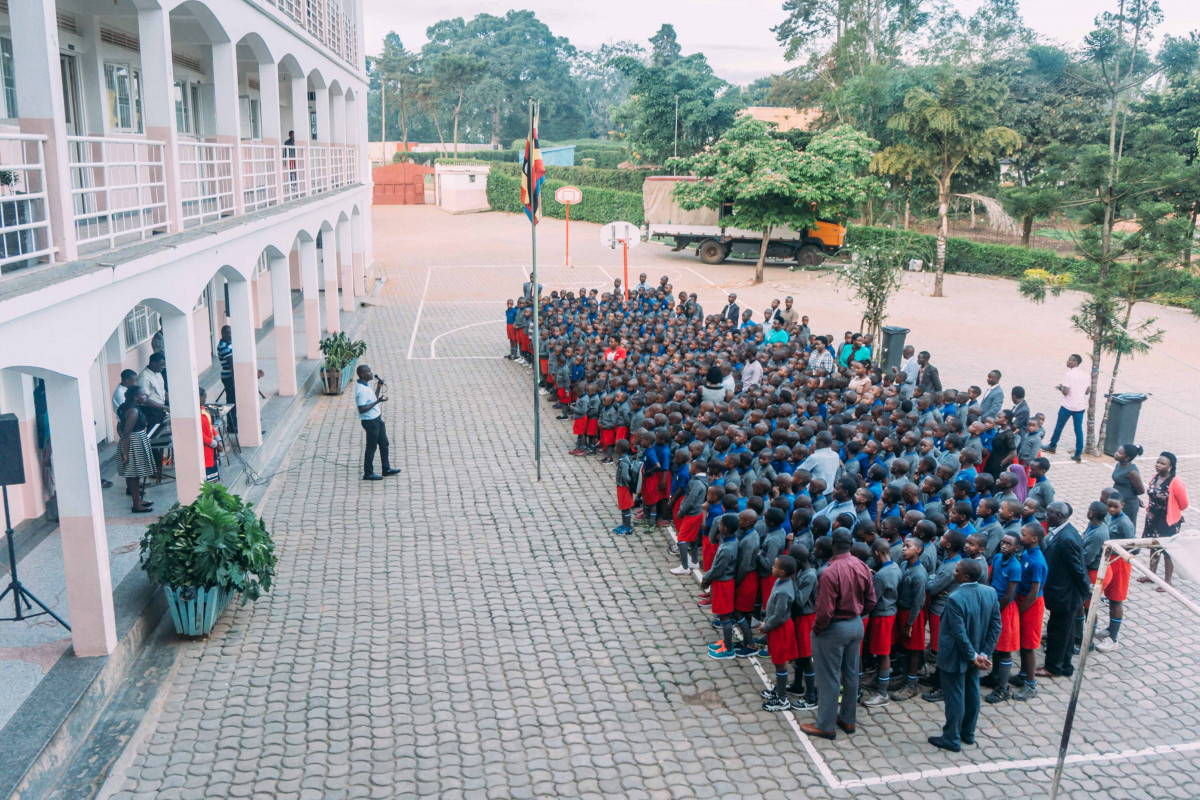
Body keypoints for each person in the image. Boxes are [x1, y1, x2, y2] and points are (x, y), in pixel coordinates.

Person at [800, 528, 876, 741]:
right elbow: (871, 601)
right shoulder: (862, 565)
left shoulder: (829, 572)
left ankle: (825, 725)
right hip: (856, 624)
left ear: (832, 544)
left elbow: (825, 610)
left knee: (828, 677)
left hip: (834, 628)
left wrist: (817, 629)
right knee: (851, 674)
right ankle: (848, 719)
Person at [928, 559, 1001, 752]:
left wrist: (973, 656)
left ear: (965, 576)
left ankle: (951, 737)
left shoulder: (955, 598)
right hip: (976, 655)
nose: (954, 572)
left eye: (957, 571)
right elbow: (995, 626)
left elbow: (958, 633)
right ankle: (968, 733)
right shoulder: (990, 592)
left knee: (955, 698)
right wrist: (983, 653)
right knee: (972, 691)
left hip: (956, 656)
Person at [1039, 502, 1088, 679]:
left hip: (1066, 595)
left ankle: (1053, 667)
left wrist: (1084, 592)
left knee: (1058, 632)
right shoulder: (1063, 533)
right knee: (1066, 632)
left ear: (1059, 516)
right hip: (1063, 593)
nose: (1046, 516)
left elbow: (1078, 570)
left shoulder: (1067, 538)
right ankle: (1065, 665)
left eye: (1049, 513)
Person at [981, 532, 1022, 703]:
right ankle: (994, 676)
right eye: (1002, 542)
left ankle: (1003, 688)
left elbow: (1009, 595)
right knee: (996, 646)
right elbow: (990, 581)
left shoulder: (1015, 567)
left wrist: (995, 611)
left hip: (1004, 610)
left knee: (1004, 650)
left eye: (1008, 544)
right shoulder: (997, 558)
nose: (1004, 546)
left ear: (1016, 548)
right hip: (993, 604)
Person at [1140, 451, 1188, 588]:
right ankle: (1151, 575)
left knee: (1167, 550)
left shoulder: (1176, 482)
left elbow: (1184, 504)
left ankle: (1167, 581)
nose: (1158, 465)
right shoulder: (1156, 477)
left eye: (1162, 463)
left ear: (1170, 467)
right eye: (1157, 462)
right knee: (1154, 546)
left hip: (1168, 521)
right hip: (1153, 518)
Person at [759, 555, 801, 711]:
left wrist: (766, 626)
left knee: (780, 663)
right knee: (777, 660)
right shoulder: (781, 581)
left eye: (775, 566)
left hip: (780, 629)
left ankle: (782, 699)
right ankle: (779, 690)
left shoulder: (784, 591)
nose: (772, 568)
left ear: (782, 572)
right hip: (775, 627)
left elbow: (779, 615)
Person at [1011, 522, 1047, 700]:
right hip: (1023, 600)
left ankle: (1031, 685)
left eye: (1024, 535)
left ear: (1034, 539)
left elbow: (1034, 592)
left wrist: (1020, 610)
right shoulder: (1026, 552)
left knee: (1028, 646)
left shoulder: (1037, 562)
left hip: (1031, 605)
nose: (1020, 536)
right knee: (1023, 643)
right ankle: (1023, 674)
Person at [355, 364, 401, 481]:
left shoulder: (365, 385)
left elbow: (372, 399)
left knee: (384, 443)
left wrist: (379, 388)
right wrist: (378, 401)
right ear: (362, 375)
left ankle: (386, 468)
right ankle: (368, 473)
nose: (371, 373)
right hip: (370, 422)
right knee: (371, 447)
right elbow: (362, 408)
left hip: (377, 419)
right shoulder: (362, 390)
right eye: (368, 372)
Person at [116, 388, 156, 513]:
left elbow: (119, 426)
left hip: (133, 440)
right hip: (134, 442)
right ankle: (136, 505)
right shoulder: (133, 411)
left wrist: (121, 437)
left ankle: (138, 500)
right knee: (133, 474)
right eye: (143, 394)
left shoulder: (124, 407)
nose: (145, 396)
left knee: (134, 473)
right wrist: (126, 453)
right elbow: (127, 433)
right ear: (135, 397)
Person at [1044, 354, 1089, 462]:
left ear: (1075, 362)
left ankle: (1052, 446)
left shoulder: (1068, 375)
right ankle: (1078, 453)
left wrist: (1061, 387)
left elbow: (1066, 392)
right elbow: (1087, 391)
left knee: (1059, 426)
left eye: (1070, 360)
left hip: (1067, 406)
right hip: (1079, 406)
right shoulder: (1086, 375)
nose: (1067, 361)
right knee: (1078, 430)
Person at [1110, 444, 1145, 529]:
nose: (1116, 453)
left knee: (1126, 527)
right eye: (1117, 451)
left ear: (1127, 458)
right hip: (1118, 500)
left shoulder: (1132, 472)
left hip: (1128, 504)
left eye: (1119, 453)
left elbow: (1141, 490)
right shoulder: (1119, 465)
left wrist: (1132, 496)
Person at [137, 353, 170, 427]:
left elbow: (163, 390)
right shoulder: (144, 377)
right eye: (161, 365)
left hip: (161, 408)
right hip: (151, 410)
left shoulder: (158, 372)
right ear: (153, 363)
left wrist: (171, 403)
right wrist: (165, 407)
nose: (163, 367)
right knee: (154, 432)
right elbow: (144, 400)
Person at [613, 439, 637, 535]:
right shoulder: (626, 458)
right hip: (622, 487)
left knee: (626, 507)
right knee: (623, 507)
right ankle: (624, 524)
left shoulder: (623, 462)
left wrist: (628, 483)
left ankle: (628, 527)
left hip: (624, 487)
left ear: (619, 449)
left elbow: (626, 476)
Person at [217, 325, 237, 434]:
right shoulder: (222, 347)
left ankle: (236, 423)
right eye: (227, 333)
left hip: (232, 377)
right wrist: (235, 380)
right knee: (231, 402)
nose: (229, 335)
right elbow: (232, 364)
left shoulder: (230, 343)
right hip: (229, 377)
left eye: (230, 333)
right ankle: (232, 426)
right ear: (222, 334)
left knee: (235, 401)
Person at [199, 387, 221, 483]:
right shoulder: (197, 415)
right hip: (205, 449)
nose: (205, 399)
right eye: (204, 397)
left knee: (214, 476)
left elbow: (210, 426)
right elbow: (200, 435)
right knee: (209, 480)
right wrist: (214, 443)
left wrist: (218, 440)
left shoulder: (204, 410)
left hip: (211, 448)